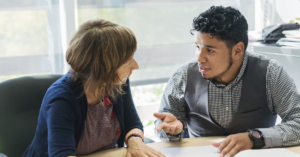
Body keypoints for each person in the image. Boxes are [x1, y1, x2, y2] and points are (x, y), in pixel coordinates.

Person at [154, 6, 300, 157]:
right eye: (198, 47)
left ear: (238, 50)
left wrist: (255, 137)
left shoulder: (271, 73)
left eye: (210, 50)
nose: (199, 58)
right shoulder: (183, 75)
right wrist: (171, 130)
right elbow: (164, 128)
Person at [23, 19, 165, 157]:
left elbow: (132, 124)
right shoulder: (61, 98)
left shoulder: (117, 82)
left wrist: (135, 142)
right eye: (128, 61)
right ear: (105, 69)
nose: (136, 66)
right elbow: (62, 154)